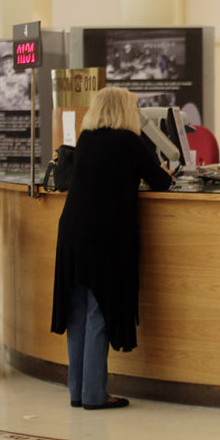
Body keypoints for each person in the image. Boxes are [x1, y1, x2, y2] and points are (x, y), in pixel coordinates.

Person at [50, 86, 174, 410]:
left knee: (77, 311)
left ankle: (78, 391)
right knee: (100, 310)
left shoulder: (87, 140)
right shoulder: (129, 142)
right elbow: (161, 182)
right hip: (106, 237)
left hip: (72, 232)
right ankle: (95, 394)